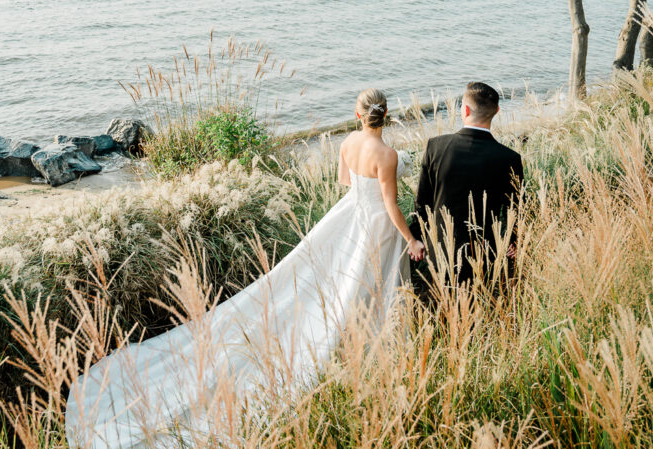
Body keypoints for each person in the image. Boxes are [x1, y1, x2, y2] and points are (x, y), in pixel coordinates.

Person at [65, 89, 422, 449]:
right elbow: (390, 205)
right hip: (375, 223)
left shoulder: (348, 141)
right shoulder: (388, 155)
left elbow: (346, 184)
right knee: (367, 282)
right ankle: (368, 342)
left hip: (349, 215)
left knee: (337, 279)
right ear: (386, 114)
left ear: (358, 115)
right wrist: (410, 239)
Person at [411, 81, 524, 295]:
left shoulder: (436, 147)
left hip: (440, 254)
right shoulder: (510, 158)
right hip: (484, 255)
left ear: (465, 110)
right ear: (497, 111)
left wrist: (413, 238)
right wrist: (514, 241)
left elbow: (422, 203)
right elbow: (516, 208)